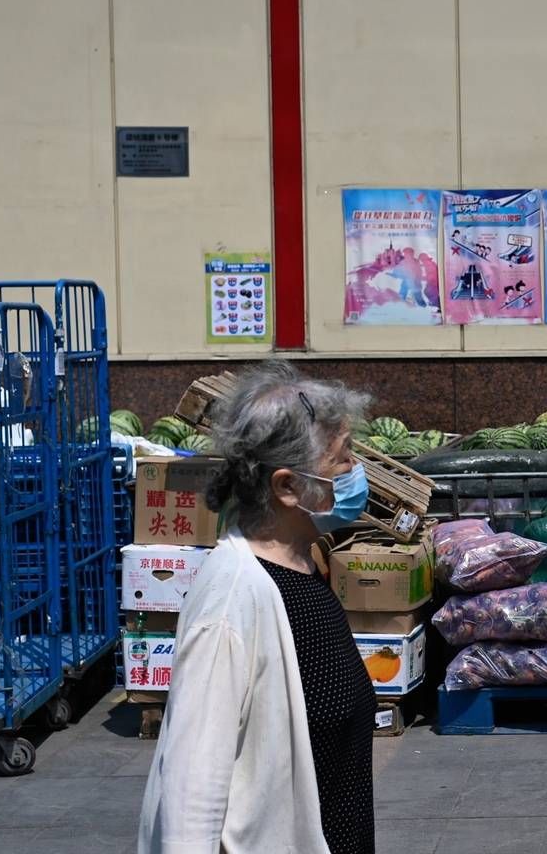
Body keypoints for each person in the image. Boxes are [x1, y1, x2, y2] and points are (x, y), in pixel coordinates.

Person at [138, 361, 376, 854]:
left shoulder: (306, 565)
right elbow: (190, 787)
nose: (357, 471)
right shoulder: (231, 600)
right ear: (287, 487)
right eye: (343, 457)